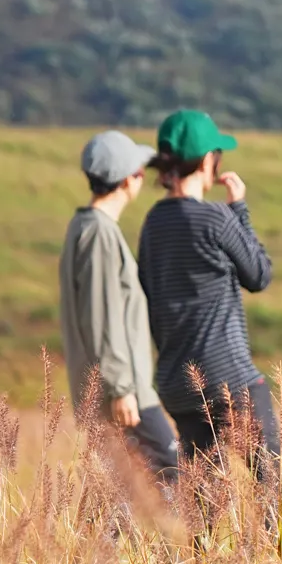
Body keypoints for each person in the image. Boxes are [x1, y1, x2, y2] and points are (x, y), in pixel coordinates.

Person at [136, 107, 280, 470]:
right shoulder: (215, 217)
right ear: (206, 161)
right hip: (227, 376)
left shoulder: (153, 222)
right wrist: (240, 210)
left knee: (204, 499)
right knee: (276, 486)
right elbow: (259, 275)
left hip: (176, 384)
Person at [59, 130, 180, 482]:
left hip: (112, 388)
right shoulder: (99, 233)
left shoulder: (83, 226)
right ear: (129, 179)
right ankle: (172, 540)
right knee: (172, 471)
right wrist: (121, 387)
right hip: (124, 392)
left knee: (122, 491)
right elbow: (103, 315)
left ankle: (106, 540)